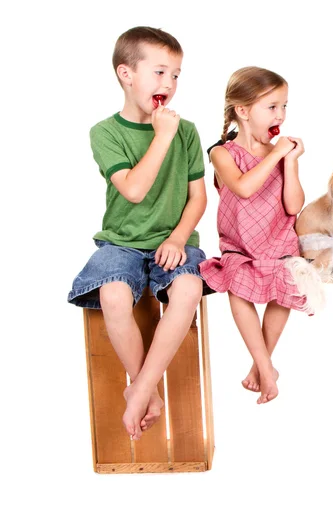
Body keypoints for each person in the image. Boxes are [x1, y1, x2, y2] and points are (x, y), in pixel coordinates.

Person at [68, 27, 208, 440]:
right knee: (112, 294)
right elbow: (133, 189)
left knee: (187, 291)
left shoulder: (187, 131)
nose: (169, 84)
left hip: (173, 240)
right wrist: (160, 136)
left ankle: (142, 388)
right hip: (121, 242)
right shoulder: (105, 132)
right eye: (160, 72)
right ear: (126, 74)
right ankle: (145, 386)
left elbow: (197, 198)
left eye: (177, 75)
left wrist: (179, 238)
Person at [201, 66, 324, 405]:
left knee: (285, 284)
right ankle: (266, 367)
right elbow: (242, 187)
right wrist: (276, 155)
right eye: (272, 106)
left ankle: (262, 366)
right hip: (240, 244)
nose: (280, 114)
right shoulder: (222, 153)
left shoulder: (279, 154)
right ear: (243, 111)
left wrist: (291, 161)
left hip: (279, 239)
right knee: (236, 284)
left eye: (284, 106)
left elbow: (293, 204)